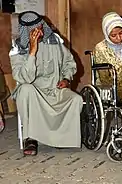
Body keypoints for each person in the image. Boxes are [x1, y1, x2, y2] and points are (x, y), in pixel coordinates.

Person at [9, 11, 83, 156]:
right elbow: (25, 78)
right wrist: (32, 51)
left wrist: (66, 79)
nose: (38, 31)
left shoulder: (55, 42)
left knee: (76, 99)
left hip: (54, 90)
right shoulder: (17, 50)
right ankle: (30, 138)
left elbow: (69, 62)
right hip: (33, 94)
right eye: (33, 30)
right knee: (25, 89)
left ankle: (61, 138)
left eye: (40, 27)